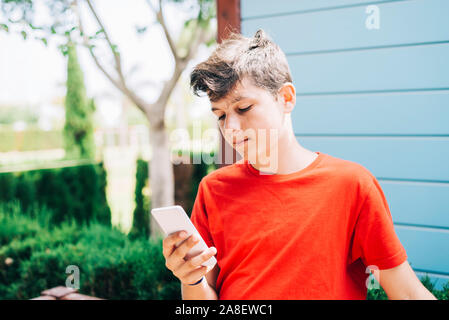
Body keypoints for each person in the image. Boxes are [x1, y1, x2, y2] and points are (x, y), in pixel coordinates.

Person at [162, 29, 436, 300]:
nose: (231, 128)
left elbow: (408, 294)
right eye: (220, 116)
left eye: (243, 108)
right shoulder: (213, 190)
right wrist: (192, 277)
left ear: (286, 98)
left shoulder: (352, 185)